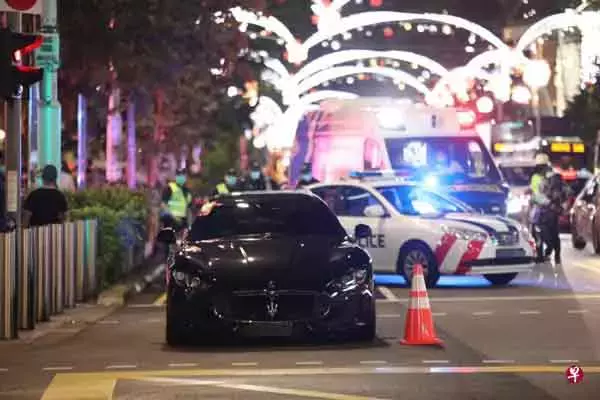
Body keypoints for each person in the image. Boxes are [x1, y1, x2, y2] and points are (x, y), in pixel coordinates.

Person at [539, 172, 568, 266]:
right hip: (543, 218)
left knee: (555, 238)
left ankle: (556, 256)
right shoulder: (545, 187)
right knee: (548, 239)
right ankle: (546, 254)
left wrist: (561, 208)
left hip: (553, 218)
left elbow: (565, 201)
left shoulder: (561, 189)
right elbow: (540, 199)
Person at [529, 153, 551, 262]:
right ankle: (539, 255)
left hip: (545, 210)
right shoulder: (536, 178)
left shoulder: (548, 177)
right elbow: (536, 194)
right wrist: (548, 202)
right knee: (538, 234)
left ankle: (542, 254)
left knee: (543, 234)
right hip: (540, 209)